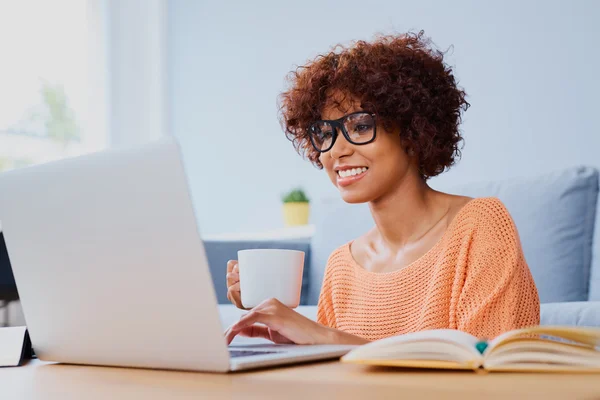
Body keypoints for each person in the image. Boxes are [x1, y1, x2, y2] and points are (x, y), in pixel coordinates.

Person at [224, 31, 540, 346]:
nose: (335, 151)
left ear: (413, 131)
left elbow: (488, 372)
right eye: (324, 133)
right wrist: (288, 334)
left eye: (360, 126)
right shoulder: (341, 267)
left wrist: (326, 337)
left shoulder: (481, 227)